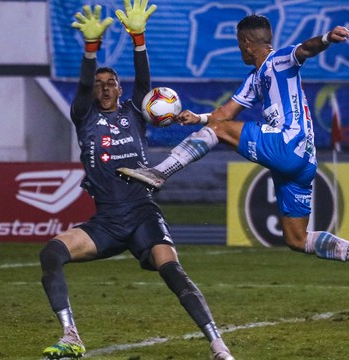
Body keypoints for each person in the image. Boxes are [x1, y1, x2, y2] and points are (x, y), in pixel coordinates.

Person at [117, 14, 349, 298]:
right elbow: (225, 113)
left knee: (221, 130)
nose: (239, 50)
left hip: (287, 143)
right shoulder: (255, 78)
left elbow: (304, 50)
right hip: (304, 162)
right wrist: (197, 117)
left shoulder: (279, 60)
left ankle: (160, 172)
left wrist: (325, 38)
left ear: (247, 43)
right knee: (296, 238)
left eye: (239, 44)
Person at [39, 2, 235, 359]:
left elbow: (143, 82)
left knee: (173, 272)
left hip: (143, 213)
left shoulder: (134, 112)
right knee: (51, 252)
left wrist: (138, 39)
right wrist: (90, 49)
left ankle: (217, 345)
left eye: (110, 83)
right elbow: (83, 85)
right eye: (99, 84)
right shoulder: (83, 116)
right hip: (108, 222)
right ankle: (70, 335)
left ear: (119, 89)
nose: (104, 88)